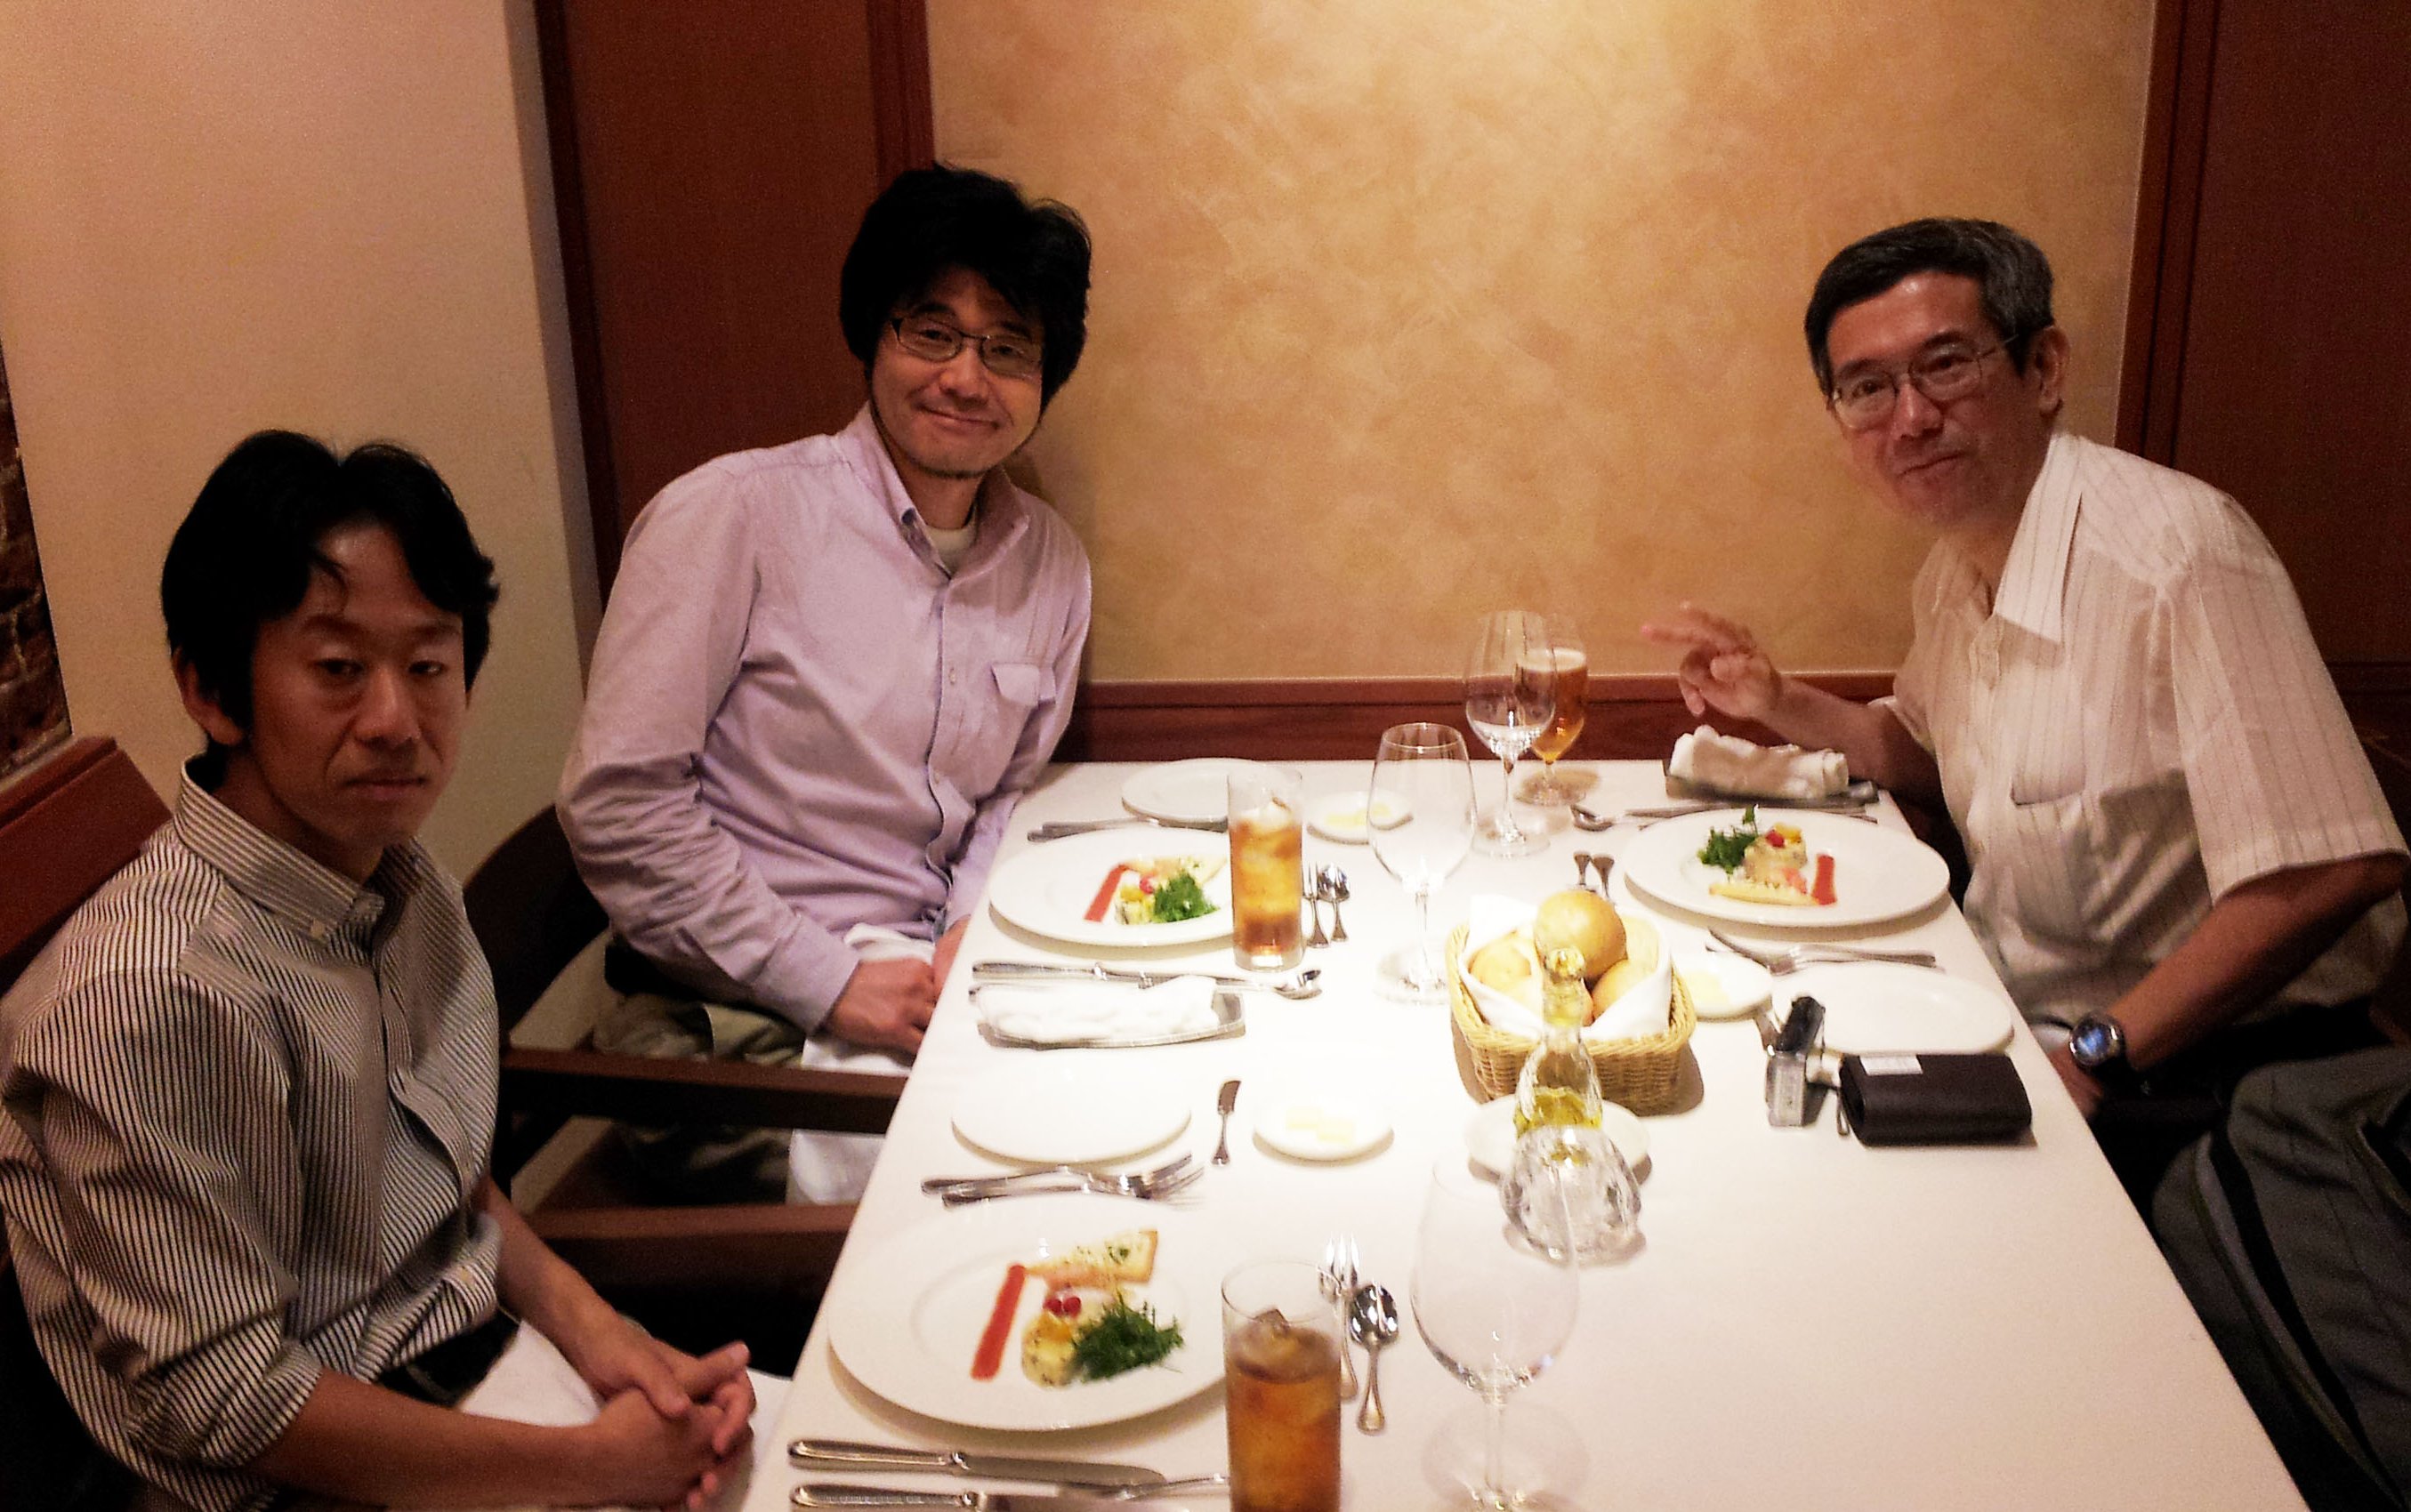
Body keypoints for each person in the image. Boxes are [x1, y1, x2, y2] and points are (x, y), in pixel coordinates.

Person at [0, 431, 762, 1512]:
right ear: (212, 691)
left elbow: (445, 1183)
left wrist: (608, 1339)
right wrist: (598, 1466)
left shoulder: (401, 884)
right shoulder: (151, 993)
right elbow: (228, 1397)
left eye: (428, 664)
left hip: (477, 1380)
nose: (397, 720)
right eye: (339, 669)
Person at [1642, 218, 2407, 1200]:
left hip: (2200, 1081)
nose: (1909, 419)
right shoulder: (1955, 569)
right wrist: (1773, 697)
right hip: (2012, 1018)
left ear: (2042, 369)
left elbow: (2338, 863)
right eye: (1867, 388)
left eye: (1944, 366)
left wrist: (2096, 1055)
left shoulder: (2180, 555)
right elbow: (1922, 750)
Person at [557, 165, 1093, 1203]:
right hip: (731, 1025)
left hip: (926, 990)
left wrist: (967, 928)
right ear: (871, 335)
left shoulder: (1050, 564)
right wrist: (829, 979)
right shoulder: (732, 518)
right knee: (1033, 1180)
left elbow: (1005, 794)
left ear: (1043, 378)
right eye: (931, 331)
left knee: (1144, 1087)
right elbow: (619, 806)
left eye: (1006, 347)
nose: (965, 377)